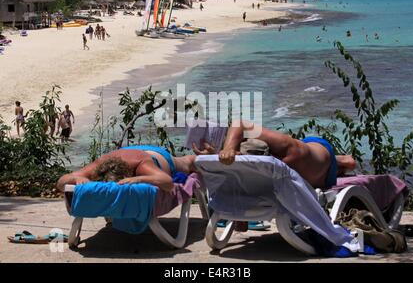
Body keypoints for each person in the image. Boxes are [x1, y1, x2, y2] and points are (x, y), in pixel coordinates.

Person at [218, 120, 356, 189]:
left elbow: (239, 123)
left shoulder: (290, 151)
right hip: (318, 172)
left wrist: (229, 147)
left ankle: (342, 159)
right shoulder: (263, 172)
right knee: (319, 168)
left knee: (340, 165)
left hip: (319, 151)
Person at [56, 145, 215, 192]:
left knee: (186, 163)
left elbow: (167, 182)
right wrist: (77, 178)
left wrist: (138, 178)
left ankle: (211, 155)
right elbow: (61, 182)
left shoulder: (140, 166)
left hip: (152, 155)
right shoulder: (97, 167)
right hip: (128, 150)